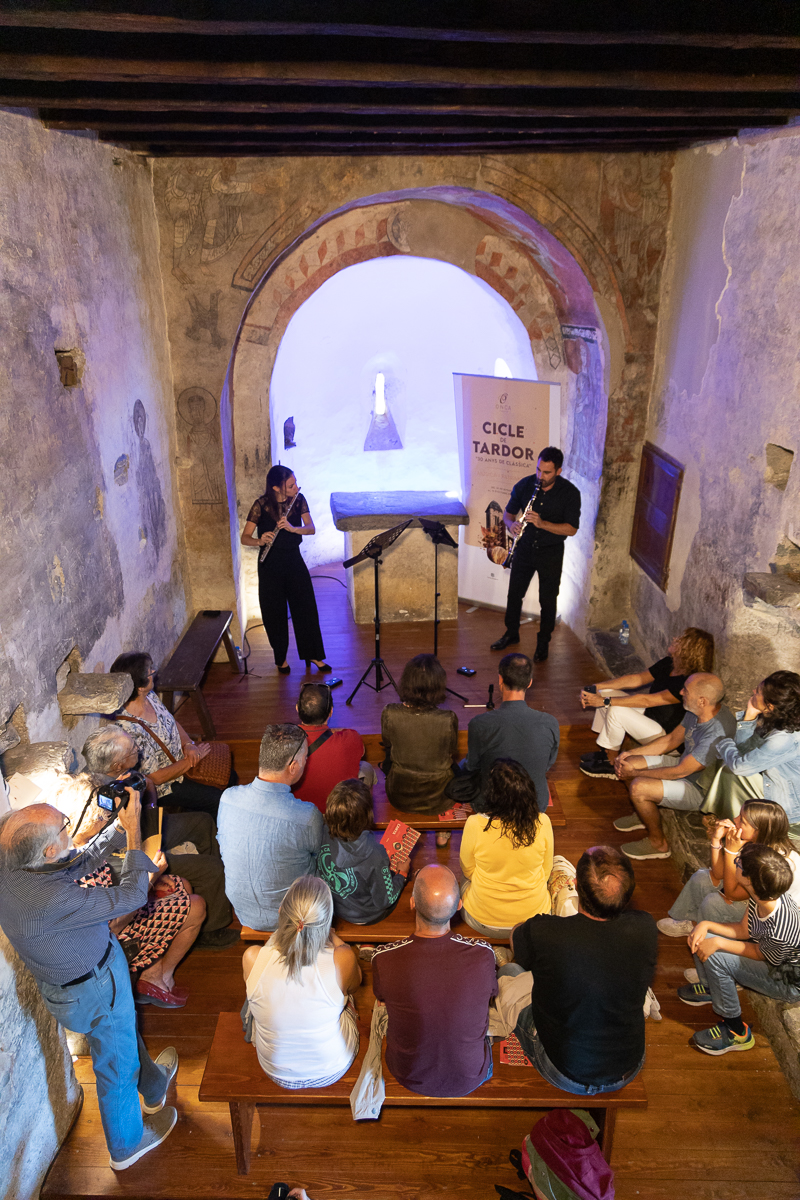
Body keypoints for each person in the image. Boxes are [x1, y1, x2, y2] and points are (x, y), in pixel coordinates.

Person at [0, 794, 179, 1170]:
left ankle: (153, 1086)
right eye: (65, 827)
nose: (72, 828)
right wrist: (132, 834)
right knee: (116, 1067)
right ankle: (126, 1146)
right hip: (94, 988)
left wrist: (114, 830)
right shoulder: (50, 900)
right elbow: (132, 895)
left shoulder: (12, 864)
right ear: (48, 849)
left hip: (77, 984)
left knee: (121, 1038)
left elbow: (72, 862)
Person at [505, 845, 657, 1095]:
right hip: (627, 1066)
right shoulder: (646, 928)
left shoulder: (545, 931)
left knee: (510, 971)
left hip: (564, 1070)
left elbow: (518, 944)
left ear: (574, 885)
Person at [81, 727, 238, 949]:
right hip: (127, 856)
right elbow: (119, 847)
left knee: (203, 822)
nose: (139, 749)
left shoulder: (120, 776)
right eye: (133, 749)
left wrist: (149, 793)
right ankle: (210, 929)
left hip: (142, 828)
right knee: (213, 868)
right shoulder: (97, 796)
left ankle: (210, 887)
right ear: (117, 765)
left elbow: (149, 797)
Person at [371, 864, 498, 1098]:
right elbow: (492, 992)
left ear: (412, 903)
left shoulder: (384, 958)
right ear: (459, 907)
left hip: (406, 1074)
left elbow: (380, 995)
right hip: (472, 1076)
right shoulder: (483, 954)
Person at [680, 842, 800, 1055]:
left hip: (787, 979)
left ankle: (737, 1032)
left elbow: (758, 954)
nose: (736, 863)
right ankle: (711, 988)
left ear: (749, 879)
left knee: (717, 954)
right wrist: (705, 925)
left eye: (739, 863)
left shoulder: (782, 929)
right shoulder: (763, 895)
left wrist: (717, 942)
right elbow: (745, 930)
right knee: (705, 935)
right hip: (769, 956)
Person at [242, 876, 362, 1088]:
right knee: (347, 994)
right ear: (327, 923)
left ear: (281, 913)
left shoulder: (252, 957)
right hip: (332, 1068)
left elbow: (276, 946)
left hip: (276, 1071)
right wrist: (334, 939)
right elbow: (356, 983)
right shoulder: (342, 958)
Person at [611, 673, 736, 860]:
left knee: (639, 787)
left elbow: (681, 772)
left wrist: (636, 773)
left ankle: (658, 844)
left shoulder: (716, 733)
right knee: (628, 763)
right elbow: (671, 740)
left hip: (700, 790)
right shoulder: (697, 711)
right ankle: (643, 814)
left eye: (686, 690)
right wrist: (631, 754)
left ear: (702, 700)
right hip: (683, 766)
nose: (681, 692)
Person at [217, 724, 322, 930]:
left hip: (244, 912)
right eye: (305, 759)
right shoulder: (306, 815)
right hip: (294, 916)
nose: (306, 763)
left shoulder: (227, 798)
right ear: (292, 767)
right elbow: (320, 854)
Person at [578, 627, 715, 778]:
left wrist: (604, 701)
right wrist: (597, 687)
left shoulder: (687, 681)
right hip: (651, 718)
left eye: (680, 640)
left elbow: (647, 700)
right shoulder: (669, 663)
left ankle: (611, 764)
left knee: (615, 708)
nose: (675, 639)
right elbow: (638, 679)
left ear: (689, 650)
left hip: (665, 736)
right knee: (607, 694)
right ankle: (605, 751)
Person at [490, 446, 581, 663]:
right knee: (514, 594)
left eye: (547, 472)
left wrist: (542, 523)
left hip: (551, 552)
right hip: (525, 548)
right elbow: (508, 514)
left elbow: (571, 529)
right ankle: (511, 633)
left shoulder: (570, 493)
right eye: (539, 470)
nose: (541, 476)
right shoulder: (525, 485)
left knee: (548, 600)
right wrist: (511, 525)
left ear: (558, 471)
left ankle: (543, 643)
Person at [110, 651, 226, 818]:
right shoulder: (128, 730)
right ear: (140, 686)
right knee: (218, 800)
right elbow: (155, 777)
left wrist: (190, 745)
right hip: (167, 786)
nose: (154, 672)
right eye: (150, 671)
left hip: (185, 759)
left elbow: (172, 723)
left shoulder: (150, 696)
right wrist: (191, 761)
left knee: (228, 776)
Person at [658, 800, 800, 937]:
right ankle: (684, 920)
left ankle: (705, 933)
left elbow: (732, 894)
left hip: (771, 919)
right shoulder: (753, 841)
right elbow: (718, 873)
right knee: (703, 877)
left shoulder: (768, 861)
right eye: (739, 815)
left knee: (714, 903)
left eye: (742, 821)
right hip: (755, 898)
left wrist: (731, 851)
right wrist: (716, 840)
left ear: (758, 831)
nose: (734, 819)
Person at [240, 465, 329, 674]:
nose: (295, 487)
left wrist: (293, 528)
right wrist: (260, 540)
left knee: (306, 608)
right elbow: (245, 537)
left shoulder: (298, 500)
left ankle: (313, 654)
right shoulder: (260, 505)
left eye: (295, 483)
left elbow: (311, 528)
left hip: (293, 560)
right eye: (290, 485)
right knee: (274, 613)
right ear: (276, 488)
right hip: (270, 565)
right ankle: (280, 659)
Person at [460, 759, 554, 938]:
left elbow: (468, 870)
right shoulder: (543, 822)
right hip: (532, 920)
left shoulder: (474, 824)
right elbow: (546, 871)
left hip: (481, 920)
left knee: (461, 877)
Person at [457, 653, 559, 813]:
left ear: (500, 680)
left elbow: (473, 766)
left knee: (462, 766)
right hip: (534, 803)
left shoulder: (479, 723)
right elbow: (547, 765)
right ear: (530, 682)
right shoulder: (550, 722)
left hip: (491, 804)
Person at [317, 779, 410, 923]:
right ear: (368, 815)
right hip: (366, 916)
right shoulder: (376, 855)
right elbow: (385, 900)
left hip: (335, 906)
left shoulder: (322, 832)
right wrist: (402, 875)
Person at [713, 671, 800, 825]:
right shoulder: (783, 720)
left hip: (791, 808)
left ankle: (737, 827)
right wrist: (749, 716)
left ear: (770, 706)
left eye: (758, 692)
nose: (753, 691)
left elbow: (740, 766)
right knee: (729, 767)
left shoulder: (785, 739)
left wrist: (723, 742)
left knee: (731, 772)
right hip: (781, 786)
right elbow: (745, 750)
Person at [380, 654, 458, 816]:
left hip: (400, 794)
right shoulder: (448, 718)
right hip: (439, 797)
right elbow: (450, 751)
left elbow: (387, 743)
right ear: (438, 684)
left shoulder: (389, 712)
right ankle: (442, 836)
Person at [293, 682, 376, 813]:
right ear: (331, 711)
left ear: (297, 708)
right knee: (366, 768)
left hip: (300, 814)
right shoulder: (350, 738)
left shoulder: (284, 742)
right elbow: (361, 751)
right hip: (338, 814)